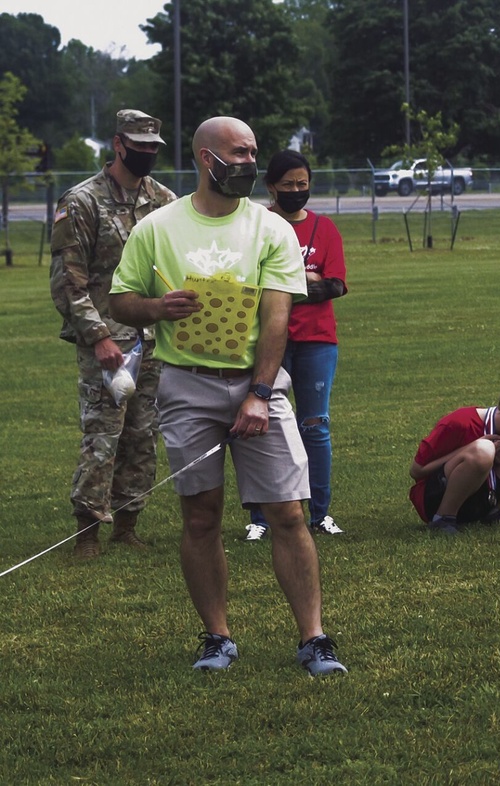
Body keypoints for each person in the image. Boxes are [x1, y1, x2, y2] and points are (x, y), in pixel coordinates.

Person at [108, 116, 346, 677]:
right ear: (204, 157)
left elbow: (276, 318)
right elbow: (120, 300)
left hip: (258, 383)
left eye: (252, 153)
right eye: (237, 153)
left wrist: (260, 393)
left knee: (289, 512)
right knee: (200, 518)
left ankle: (313, 639)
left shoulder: (270, 230)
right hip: (186, 384)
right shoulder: (158, 228)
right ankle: (217, 637)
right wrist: (156, 309)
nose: (247, 163)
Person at [49, 109, 176, 559]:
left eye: (152, 148)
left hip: (153, 337)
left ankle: (127, 525)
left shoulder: (164, 200)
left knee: (143, 434)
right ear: (118, 144)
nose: (147, 154)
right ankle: (86, 531)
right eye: (139, 146)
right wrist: (98, 337)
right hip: (106, 340)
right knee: (103, 434)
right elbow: (68, 281)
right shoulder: (82, 201)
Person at [243, 150, 348, 543]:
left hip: (317, 342)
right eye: (288, 185)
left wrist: (285, 286)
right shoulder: (258, 226)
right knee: (261, 424)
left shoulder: (325, 229)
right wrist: (306, 280)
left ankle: (320, 513)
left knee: (315, 425)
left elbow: (335, 285)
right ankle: (260, 517)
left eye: (302, 184)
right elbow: (249, 284)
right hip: (270, 340)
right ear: (271, 186)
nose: (296, 191)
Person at [409, 382, 500, 534]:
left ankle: (498, 512)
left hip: (480, 500)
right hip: (436, 498)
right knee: (483, 450)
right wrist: (469, 449)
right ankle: (443, 518)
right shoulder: (460, 422)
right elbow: (416, 470)